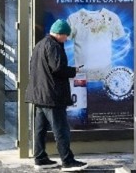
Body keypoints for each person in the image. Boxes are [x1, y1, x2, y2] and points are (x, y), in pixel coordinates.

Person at [25, 19, 87, 172]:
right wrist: (74, 71)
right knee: (61, 129)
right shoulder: (53, 46)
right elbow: (58, 69)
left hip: (39, 94)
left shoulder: (40, 44)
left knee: (40, 129)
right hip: (51, 96)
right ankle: (67, 161)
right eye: (66, 35)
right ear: (59, 34)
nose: (66, 39)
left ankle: (40, 158)